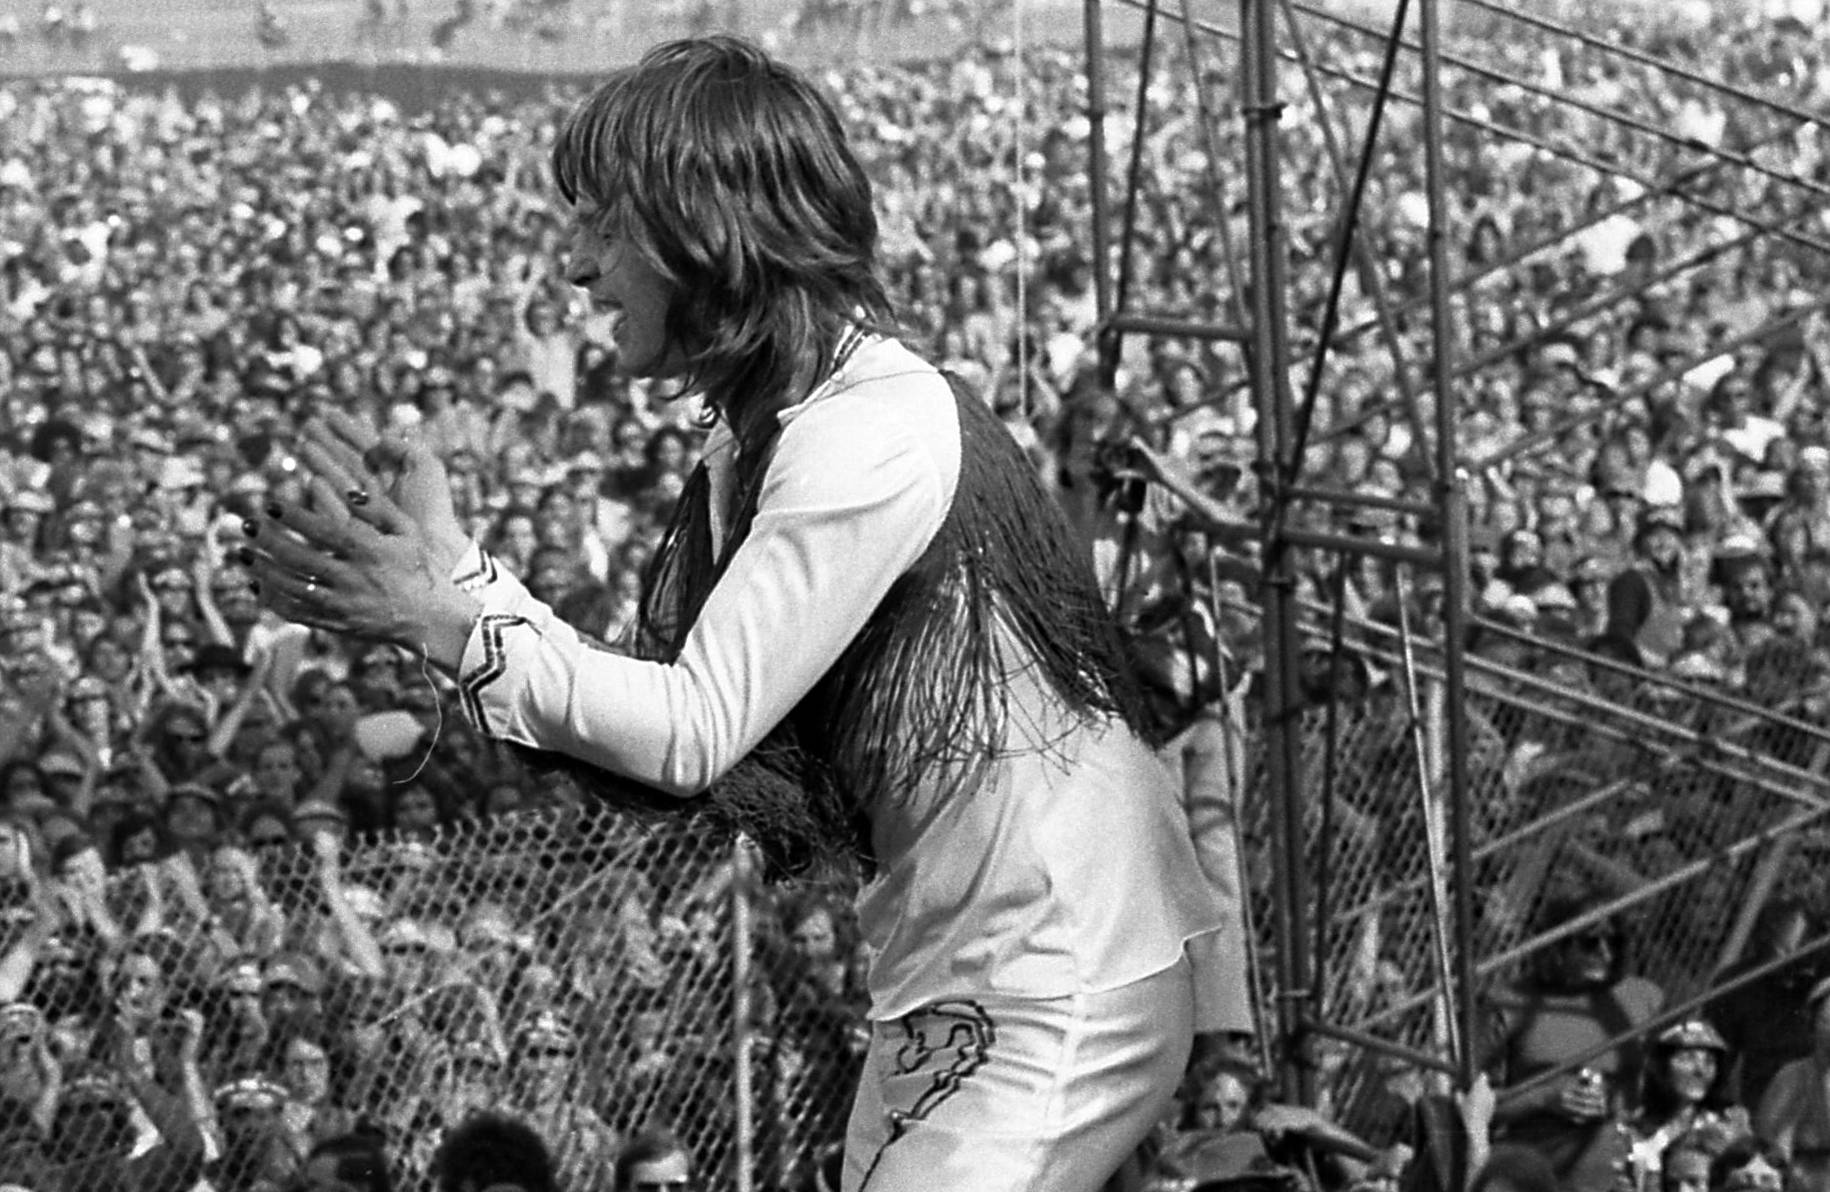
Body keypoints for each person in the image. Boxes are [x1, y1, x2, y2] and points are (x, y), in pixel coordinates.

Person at [246, 35, 1245, 1192]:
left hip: (1056, 971)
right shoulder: (776, 432)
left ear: (707, 232)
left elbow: (692, 728)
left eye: (603, 227)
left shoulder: (866, 431)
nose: (576, 268)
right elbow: (686, 724)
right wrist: (452, 580)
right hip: (966, 976)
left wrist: (445, 613)